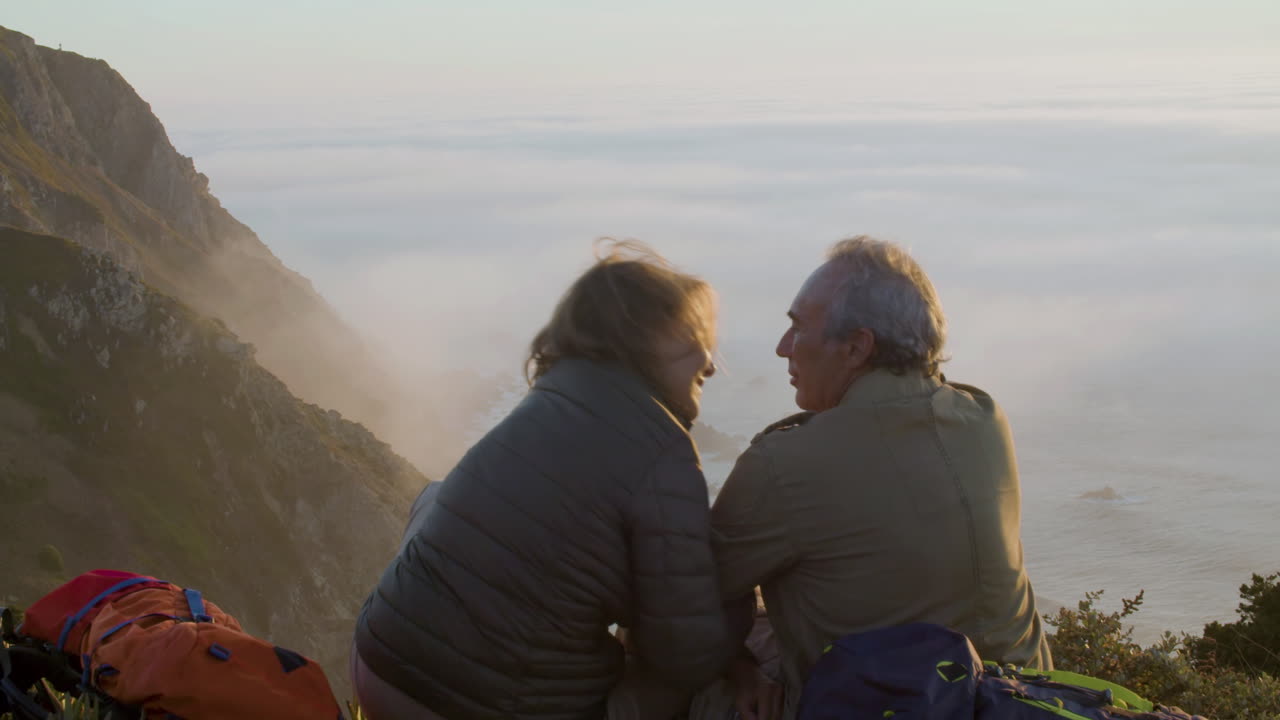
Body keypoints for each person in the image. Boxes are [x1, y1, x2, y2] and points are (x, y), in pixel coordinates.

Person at [351, 241, 738, 720]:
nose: (712, 362)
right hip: (472, 706)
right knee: (686, 678)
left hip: (377, 663)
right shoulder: (664, 451)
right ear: (645, 335)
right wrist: (740, 627)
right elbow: (686, 653)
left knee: (436, 496)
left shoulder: (550, 397)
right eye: (696, 334)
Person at [711, 236, 1052, 720]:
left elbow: (690, 595)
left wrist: (738, 670)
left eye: (797, 327)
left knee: (669, 667)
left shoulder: (786, 463)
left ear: (856, 348)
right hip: (1027, 701)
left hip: (898, 707)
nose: (782, 347)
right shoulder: (985, 418)